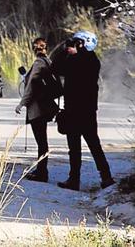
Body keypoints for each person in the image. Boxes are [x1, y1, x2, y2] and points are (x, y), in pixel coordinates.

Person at [51, 31, 114, 191]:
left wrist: (66, 50)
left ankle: (79, 179)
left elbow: (57, 65)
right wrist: (68, 49)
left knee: (82, 147)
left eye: (77, 42)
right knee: (89, 145)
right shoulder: (86, 60)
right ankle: (102, 177)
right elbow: (56, 68)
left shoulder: (87, 60)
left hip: (80, 110)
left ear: (84, 43)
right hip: (82, 110)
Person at [16, 37, 59, 182]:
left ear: (33, 49)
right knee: (43, 140)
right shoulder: (48, 61)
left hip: (37, 107)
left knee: (41, 141)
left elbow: (30, 87)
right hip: (47, 105)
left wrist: (21, 104)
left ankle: (42, 172)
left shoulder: (38, 63)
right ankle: (41, 170)